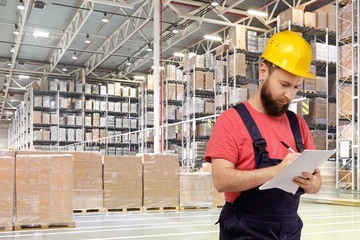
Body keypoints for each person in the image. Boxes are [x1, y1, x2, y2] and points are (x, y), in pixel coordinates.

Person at [204, 31, 322, 240]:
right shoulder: (231, 121)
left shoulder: (299, 125)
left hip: (289, 230)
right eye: (284, 85)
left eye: (296, 87)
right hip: (245, 230)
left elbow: (316, 180)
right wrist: (277, 171)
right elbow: (221, 180)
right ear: (263, 71)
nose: (289, 95)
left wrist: (313, 185)